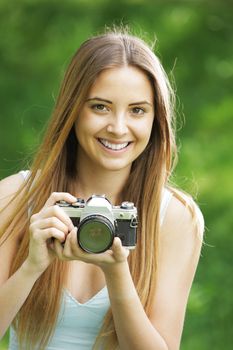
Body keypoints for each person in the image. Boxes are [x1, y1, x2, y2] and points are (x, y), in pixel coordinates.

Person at [0, 27, 204, 350]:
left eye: (137, 110)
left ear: (156, 119)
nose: (118, 127)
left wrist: (117, 273)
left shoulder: (175, 218)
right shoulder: (15, 198)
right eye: (100, 107)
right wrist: (31, 268)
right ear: (73, 109)